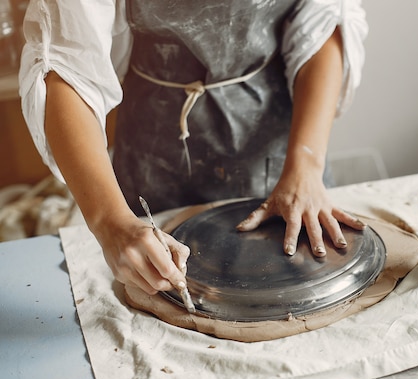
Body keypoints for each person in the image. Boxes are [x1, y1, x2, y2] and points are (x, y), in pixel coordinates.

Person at [19, 0, 368, 296]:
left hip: (283, 141)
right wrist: (112, 222)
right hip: (155, 151)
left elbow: (325, 21)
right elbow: (65, 68)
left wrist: (306, 165)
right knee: (157, 287)